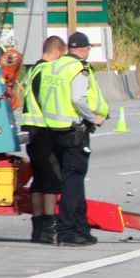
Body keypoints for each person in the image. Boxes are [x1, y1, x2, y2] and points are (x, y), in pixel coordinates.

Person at [39, 31, 109, 246]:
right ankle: (68, 231)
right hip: (73, 130)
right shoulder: (79, 68)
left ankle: (81, 229)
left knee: (73, 181)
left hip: (54, 130)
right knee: (73, 182)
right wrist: (93, 117)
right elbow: (78, 98)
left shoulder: (54, 66)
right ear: (85, 49)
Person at [21, 35, 67, 244]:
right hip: (44, 131)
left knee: (38, 181)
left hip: (32, 131)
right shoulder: (47, 71)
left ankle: (38, 227)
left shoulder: (32, 70)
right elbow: (48, 102)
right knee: (51, 180)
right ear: (56, 53)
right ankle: (50, 226)